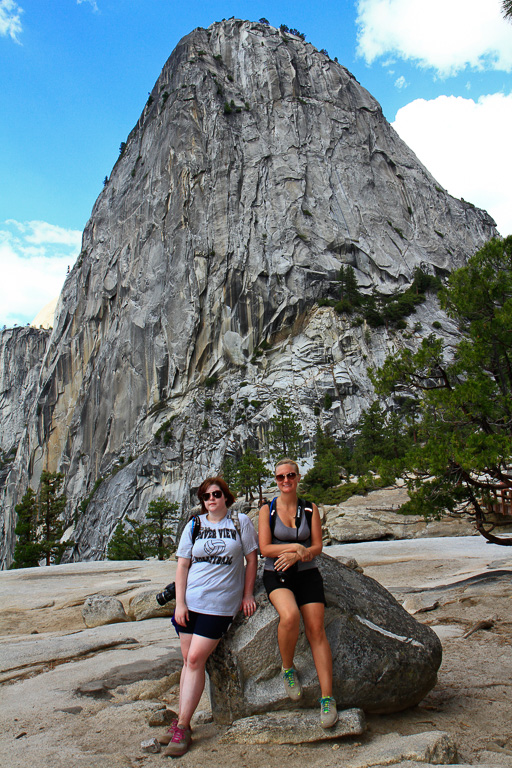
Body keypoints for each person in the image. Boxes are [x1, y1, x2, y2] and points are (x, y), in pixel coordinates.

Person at [158, 477, 258, 757]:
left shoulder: (240, 523)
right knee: (189, 662)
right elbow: (182, 565)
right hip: (191, 602)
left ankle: (182, 726)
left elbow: (252, 559)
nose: (211, 499)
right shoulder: (195, 525)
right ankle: (182, 721)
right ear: (202, 501)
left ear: (226, 497)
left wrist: (247, 595)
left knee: (193, 660)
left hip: (220, 605)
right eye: (205, 496)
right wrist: (180, 603)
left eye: (216, 494)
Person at [258, 458, 338, 728]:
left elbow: (317, 547)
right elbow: (265, 549)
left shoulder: (310, 508)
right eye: (280, 477)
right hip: (277, 573)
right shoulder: (266, 510)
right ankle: (288, 668)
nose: (285, 481)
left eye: (290, 475)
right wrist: (294, 549)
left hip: (306, 573)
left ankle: (327, 699)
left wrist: (302, 554)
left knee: (317, 629)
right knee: (290, 616)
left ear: (298, 477)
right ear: (276, 480)